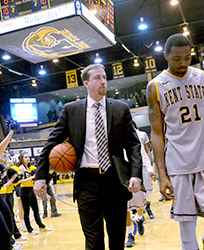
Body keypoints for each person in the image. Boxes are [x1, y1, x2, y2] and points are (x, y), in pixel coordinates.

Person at [34, 63, 142, 250]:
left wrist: (136, 174)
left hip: (116, 180)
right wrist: (41, 176)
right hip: (87, 182)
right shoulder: (71, 110)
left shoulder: (120, 108)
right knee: (93, 242)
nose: (103, 81)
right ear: (86, 83)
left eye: (104, 77)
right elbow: (50, 145)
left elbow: (133, 145)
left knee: (117, 239)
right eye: (97, 78)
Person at [147, 33, 204, 250]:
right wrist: (161, 174)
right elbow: (157, 134)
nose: (183, 63)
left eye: (187, 57)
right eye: (177, 59)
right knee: (187, 226)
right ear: (166, 56)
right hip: (178, 163)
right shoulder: (155, 86)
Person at [19, 152, 50, 235]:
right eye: (25, 157)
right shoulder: (21, 168)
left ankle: (41, 226)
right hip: (24, 190)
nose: (28, 159)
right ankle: (29, 229)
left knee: (36, 209)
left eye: (28, 157)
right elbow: (21, 181)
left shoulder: (31, 167)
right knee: (26, 211)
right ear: (22, 159)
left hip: (31, 190)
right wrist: (32, 177)